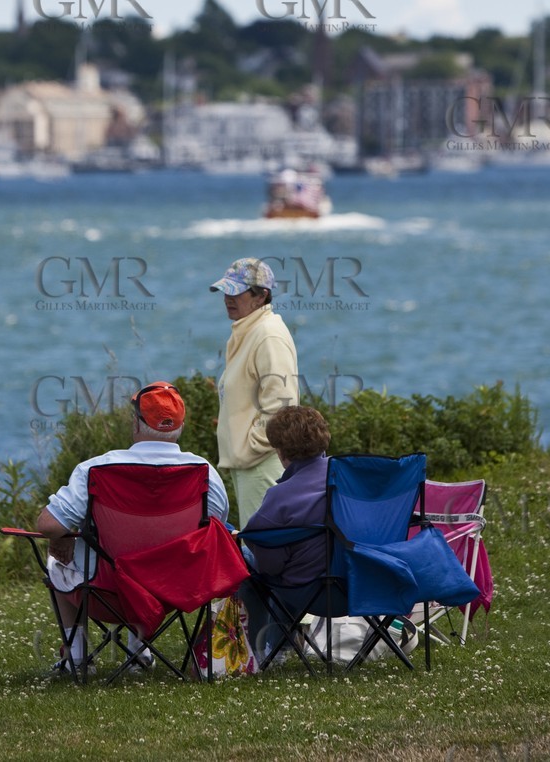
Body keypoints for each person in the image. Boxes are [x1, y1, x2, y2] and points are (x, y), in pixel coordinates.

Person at [32, 382, 228, 672]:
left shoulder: (97, 469)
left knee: (56, 562)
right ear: (181, 426)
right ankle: (139, 651)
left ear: (136, 423)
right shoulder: (202, 473)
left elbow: (47, 523)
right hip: (172, 589)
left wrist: (60, 539)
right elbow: (216, 525)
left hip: (104, 591)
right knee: (152, 562)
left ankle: (76, 658)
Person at [235, 405, 331, 660]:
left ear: (280, 451)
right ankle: (280, 646)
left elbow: (269, 567)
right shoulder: (350, 479)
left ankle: (262, 651)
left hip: (308, 591)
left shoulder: (281, 497)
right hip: (361, 585)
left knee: (245, 563)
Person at [210, 257, 300, 526]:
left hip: (261, 463)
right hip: (250, 463)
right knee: (257, 544)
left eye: (237, 291)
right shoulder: (250, 330)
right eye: (226, 290)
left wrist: (252, 446)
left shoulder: (267, 334)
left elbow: (282, 403)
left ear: (261, 296)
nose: (228, 297)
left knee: (262, 547)